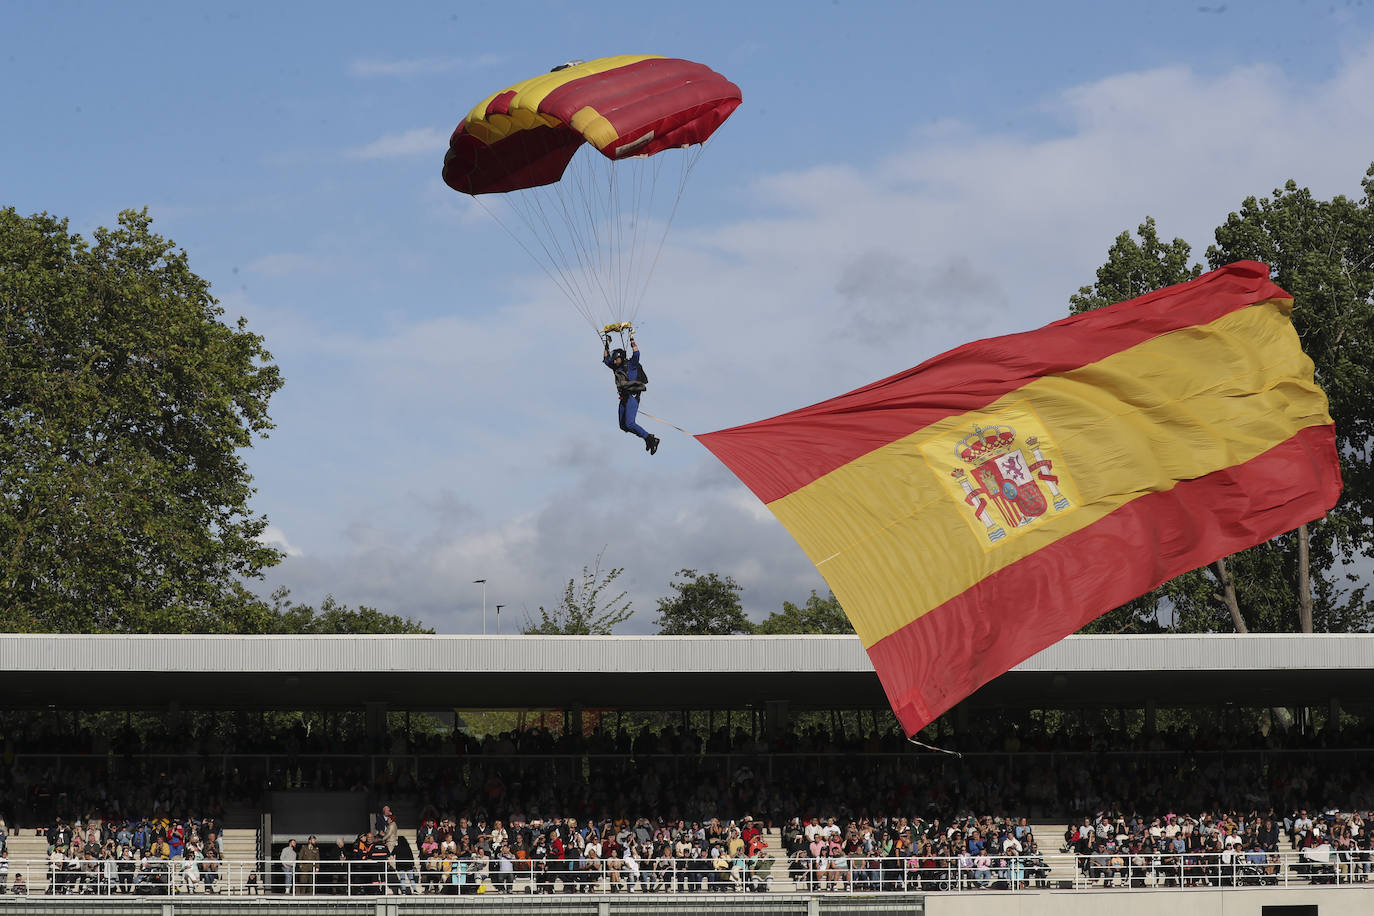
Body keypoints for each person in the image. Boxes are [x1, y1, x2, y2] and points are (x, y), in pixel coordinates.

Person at [603, 333, 659, 455]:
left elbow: (637, 354)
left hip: (632, 396)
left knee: (629, 423)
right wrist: (607, 343)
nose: (614, 361)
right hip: (623, 398)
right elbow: (606, 359)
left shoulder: (631, 365)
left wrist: (632, 340)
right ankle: (648, 438)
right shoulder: (616, 367)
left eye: (616, 359)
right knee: (623, 425)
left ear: (621, 358)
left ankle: (650, 439)